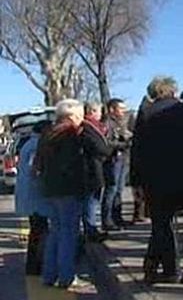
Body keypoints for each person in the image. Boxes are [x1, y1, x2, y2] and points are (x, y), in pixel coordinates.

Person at [137, 76, 183, 284]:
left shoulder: (146, 113)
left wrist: (136, 182)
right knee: (164, 225)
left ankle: (167, 268)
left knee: (161, 224)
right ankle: (153, 265)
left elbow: (139, 151)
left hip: (158, 179)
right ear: (173, 91)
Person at [37, 99, 87, 289]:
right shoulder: (69, 133)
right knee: (68, 234)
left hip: (50, 188)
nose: (81, 120)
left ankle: (49, 275)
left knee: (55, 232)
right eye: (79, 116)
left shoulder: (49, 132)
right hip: (67, 189)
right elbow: (72, 164)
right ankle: (67, 277)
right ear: (71, 116)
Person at [15, 120, 53, 275]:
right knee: (39, 230)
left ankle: (34, 264)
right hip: (36, 195)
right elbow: (35, 169)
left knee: (37, 230)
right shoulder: (37, 146)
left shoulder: (29, 143)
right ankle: (35, 265)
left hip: (30, 194)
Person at [81, 102, 112, 242]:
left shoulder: (94, 127)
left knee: (93, 200)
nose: (101, 114)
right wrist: (109, 150)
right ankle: (90, 229)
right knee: (91, 201)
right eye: (99, 111)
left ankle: (91, 228)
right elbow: (101, 147)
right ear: (92, 111)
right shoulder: (88, 127)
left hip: (95, 167)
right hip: (91, 170)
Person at [102, 98, 133, 230]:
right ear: (112, 109)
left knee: (119, 190)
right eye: (121, 109)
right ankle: (107, 220)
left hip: (123, 158)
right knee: (112, 190)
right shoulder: (108, 123)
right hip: (113, 159)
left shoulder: (121, 122)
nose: (123, 112)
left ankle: (117, 217)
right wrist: (124, 144)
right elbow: (107, 142)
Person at [129, 91, 155, 224]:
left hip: (138, 155)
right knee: (141, 189)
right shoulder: (147, 112)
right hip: (142, 157)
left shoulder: (142, 112)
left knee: (140, 188)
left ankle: (141, 213)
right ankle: (140, 214)